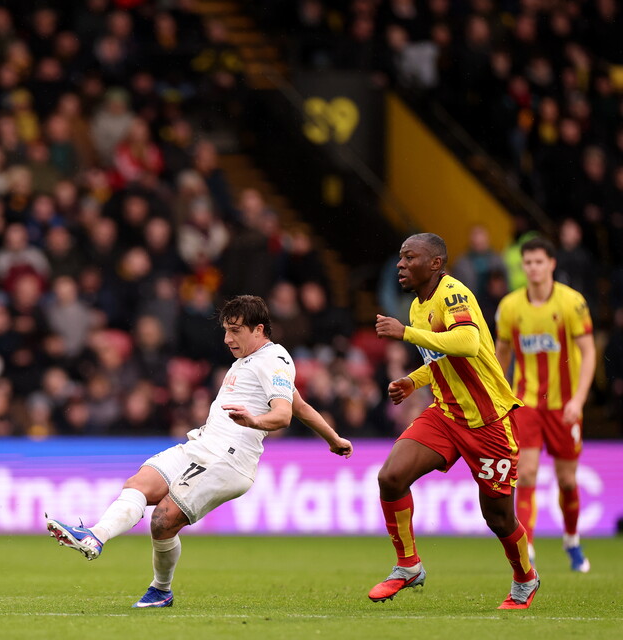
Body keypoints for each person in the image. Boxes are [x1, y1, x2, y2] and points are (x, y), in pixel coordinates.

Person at [45, 295, 353, 608]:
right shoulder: (249, 361)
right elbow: (299, 404)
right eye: (225, 330)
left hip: (229, 460)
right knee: (139, 485)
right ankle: (95, 537)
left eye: (235, 330)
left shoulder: (274, 359)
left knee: (163, 519)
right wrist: (333, 438)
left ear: (259, 329)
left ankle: (160, 589)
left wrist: (254, 420)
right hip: (202, 446)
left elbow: (285, 414)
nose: (227, 338)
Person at [373, 233, 538, 610]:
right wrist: (412, 380)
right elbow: (443, 358)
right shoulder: (417, 306)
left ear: (434, 264)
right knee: (390, 477)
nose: (400, 264)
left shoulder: (454, 294)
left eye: (408, 257)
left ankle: (525, 578)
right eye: (399, 257)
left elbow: (467, 342)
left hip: (488, 421)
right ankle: (408, 565)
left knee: (498, 517)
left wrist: (404, 333)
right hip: (446, 414)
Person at [495, 236, 595, 572]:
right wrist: (501, 394)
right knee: (526, 474)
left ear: (551, 264)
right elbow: (502, 354)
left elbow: (589, 351)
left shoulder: (572, 303)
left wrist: (579, 400)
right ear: (523, 266)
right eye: (528, 263)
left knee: (567, 480)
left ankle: (572, 541)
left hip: (564, 405)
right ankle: (529, 549)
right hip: (527, 404)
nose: (534, 268)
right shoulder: (510, 307)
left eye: (539, 261)